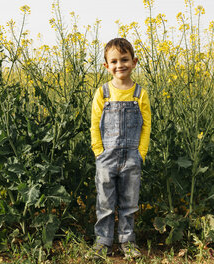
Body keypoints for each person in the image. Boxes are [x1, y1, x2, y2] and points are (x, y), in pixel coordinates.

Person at [89, 38, 151, 260]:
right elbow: (95, 124)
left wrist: (140, 152)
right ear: (106, 66)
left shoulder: (140, 93)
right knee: (104, 203)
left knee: (129, 203)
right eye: (114, 61)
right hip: (106, 157)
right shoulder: (103, 92)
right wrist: (99, 151)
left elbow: (146, 125)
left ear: (134, 62)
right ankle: (102, 242)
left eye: (124, 60)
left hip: (132, 156)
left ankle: (128, 241)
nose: (120, 65)